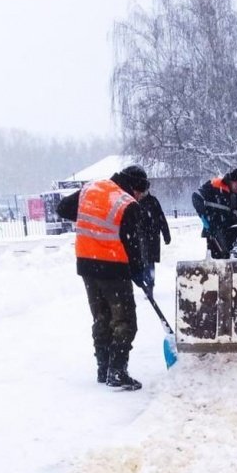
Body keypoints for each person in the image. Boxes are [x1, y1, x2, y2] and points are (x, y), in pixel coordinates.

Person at [56, 165, 150, 391]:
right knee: (125, 320)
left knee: (101, 318)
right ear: (134, 186)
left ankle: (104, 367)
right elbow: (133, 245)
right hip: (113, 268)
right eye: (141, 192)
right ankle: (117, 371)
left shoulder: (92, 188)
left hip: (87, 265)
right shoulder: (127, 203)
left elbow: (63, 208)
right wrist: (138, 272)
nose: (140, 197)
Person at [192, 168, 237, 259]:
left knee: (230, 260)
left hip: (231, 234)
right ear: (231, 180)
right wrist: (203, 215)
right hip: (213, 231)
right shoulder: (214, 186)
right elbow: (196, 196)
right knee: (216, 261)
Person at [139, 190, 171, 299]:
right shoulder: (134, 202)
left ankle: (149, 286)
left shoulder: (153, 201)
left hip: (151, 238)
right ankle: (146, 282)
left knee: (149, 262)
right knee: (141, 262)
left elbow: (162, 218)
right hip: (140, 238)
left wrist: (166, 234)